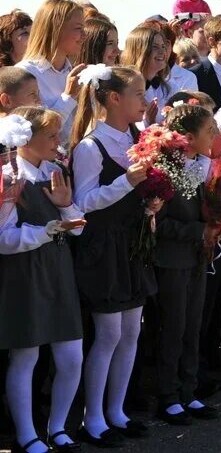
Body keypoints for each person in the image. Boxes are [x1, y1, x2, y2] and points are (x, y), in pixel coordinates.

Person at [70, 65, 158, 446]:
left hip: (133, 244)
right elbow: (82, 203)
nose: (144, 100)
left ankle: (116, 411)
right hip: (104, 247)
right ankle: (93, 419)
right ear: (114, 99)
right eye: (137, 93)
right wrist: (127, 182)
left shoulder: (138, 137)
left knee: (131, 331)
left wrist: (152, 201)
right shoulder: (91, 147)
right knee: (107, 334)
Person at [0, 108, 86, 453]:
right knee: (26, 357)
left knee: (71, 357)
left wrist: (65, 208)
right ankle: (26, 435)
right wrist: (45, 232)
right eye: (51, 135)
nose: (58, 142)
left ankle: (58, 428)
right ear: (27, 139)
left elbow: (79, 224)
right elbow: (3, 239)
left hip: (59, 270)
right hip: (26, 273)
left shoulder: (55, 171)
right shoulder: (9, 176)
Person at [154, 103, 220, 424]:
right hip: (172, 260)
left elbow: (208, 209)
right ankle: (167, 395)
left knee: (193, 326)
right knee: (174, 327)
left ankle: (188, 392)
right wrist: (200, 230)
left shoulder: (201, 164)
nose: (216, 135)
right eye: (210, 131)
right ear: (189, 137)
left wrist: (220, 221)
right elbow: (159, 223)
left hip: (196, 257)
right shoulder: (165, 168)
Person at [16, 0, 86, 142]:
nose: (84, 36)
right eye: (79, 29)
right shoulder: (25, 73)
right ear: (56, 29)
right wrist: (68, 96)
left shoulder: (70, 71)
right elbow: (33, 132)